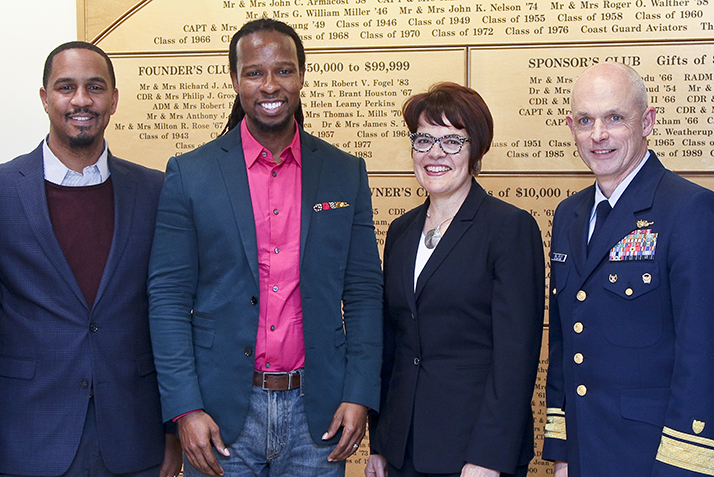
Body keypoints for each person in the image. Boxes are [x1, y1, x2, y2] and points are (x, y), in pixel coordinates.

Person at [147, 19, 383, 477]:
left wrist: (359, 394)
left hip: (318, 417)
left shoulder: (344, 172)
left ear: (302, 76)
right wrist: (184, 409)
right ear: (235, 80)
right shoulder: (190, 174)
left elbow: (362, 293)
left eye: (284, 71)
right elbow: (168, 299)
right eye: (254, 72)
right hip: (219, 417)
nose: (270, 85)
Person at [0, 42, 182, 477]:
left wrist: (173, 427)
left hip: (135, 442)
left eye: (95, 87)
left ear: (114, 99)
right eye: (66, 87)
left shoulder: (157, 192)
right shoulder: (3, 192)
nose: (81, 100)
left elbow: (173, 313)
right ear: (45, 98)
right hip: (25, 436)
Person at [543, 62, 714, 476]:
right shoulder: (569, 214)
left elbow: (701, 353)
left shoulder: (688, 209)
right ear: (571, 127)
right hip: (585, 453)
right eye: (585, 120)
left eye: (614, 118)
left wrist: (683, 465)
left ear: (647, 122)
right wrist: (562, 450)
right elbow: (565, 343)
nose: (598, 135)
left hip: (651, 457)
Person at [365, 82, 545, 477]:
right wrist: (379, 440)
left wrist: (488, 457)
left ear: (475, 148)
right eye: (424, 139)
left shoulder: (509, 228)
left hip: (471, 453)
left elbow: (515, 358)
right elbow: (392, 347)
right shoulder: (400, 231)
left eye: (451, 141)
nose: (434, 153)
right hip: (401, 449)